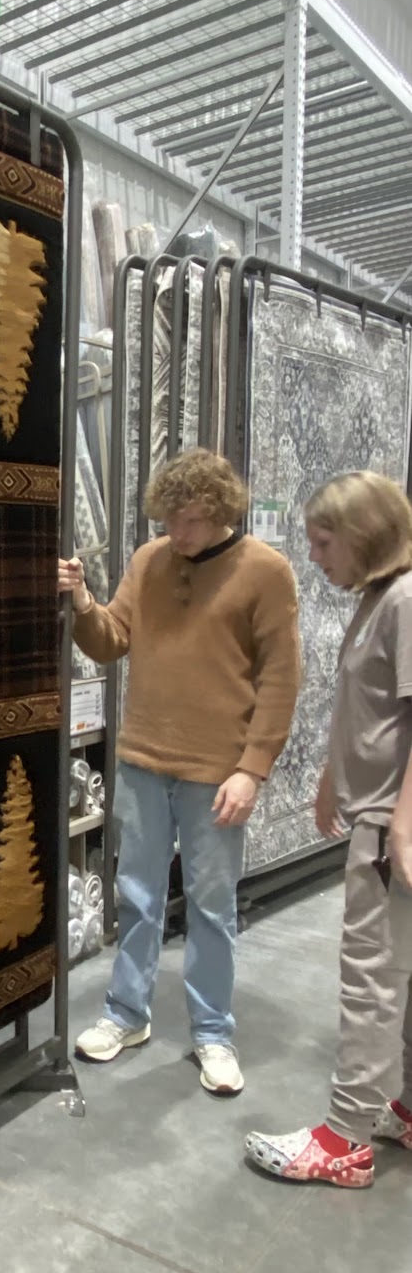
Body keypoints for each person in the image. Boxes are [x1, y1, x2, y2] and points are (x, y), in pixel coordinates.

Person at [60, 448, 300, 1094]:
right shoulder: (149, 560)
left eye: (190, 520)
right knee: (135, 897)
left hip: (216, 771)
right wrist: (81, 600)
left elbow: (280, 678)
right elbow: (110, 640)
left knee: (211, 907)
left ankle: (213, 1033)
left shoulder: (264, 570)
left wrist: (251, 769)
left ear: (221, 512)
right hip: (142, 758)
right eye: (168, 518)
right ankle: (125, 1014)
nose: (177, 532)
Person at [246, 471, 412, 1187]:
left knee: (370, 980)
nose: (312, 556)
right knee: (399, 974)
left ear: (363, 537)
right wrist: (328, 780)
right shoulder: (379, 600)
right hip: (375, 812)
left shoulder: (404, 601)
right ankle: (402, 1106)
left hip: (387, 825)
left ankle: (344, 1139)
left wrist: (401, 824)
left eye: (322, 542)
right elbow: (370, 710)